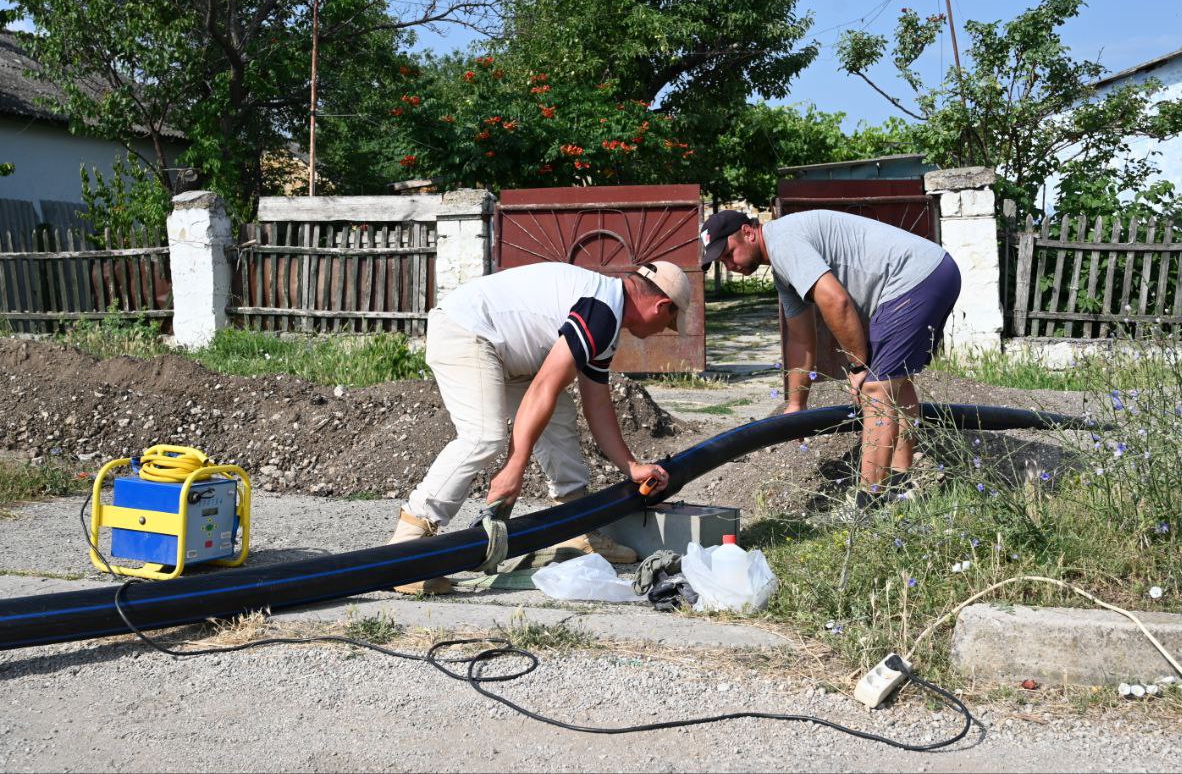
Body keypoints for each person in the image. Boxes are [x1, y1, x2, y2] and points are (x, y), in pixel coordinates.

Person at [389, 260, 691, 594]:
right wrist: (513, 468)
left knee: (559, 415)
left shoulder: (607, 315)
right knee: (483, 436)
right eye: (671, 320)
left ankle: (576, 528)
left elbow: (597, 404)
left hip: (504, 349)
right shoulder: (602, 310)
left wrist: (630, 466)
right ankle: (407, 546)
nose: (666, 329)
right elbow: (542, 386)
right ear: (661, 306)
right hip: (466, 330)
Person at [700, 209, 960, 498]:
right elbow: (800, 339)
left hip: (916, 278)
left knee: (875, 389)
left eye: (728, 253)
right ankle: (901, 484)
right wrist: (796, 404)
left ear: (748, 233)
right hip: (934, 271)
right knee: (894, 382)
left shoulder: (783, 243)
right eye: (721, 261)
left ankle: (869, 501)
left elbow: (836, 302)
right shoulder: (782, 266)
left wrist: (858, 366)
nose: (728, 264)